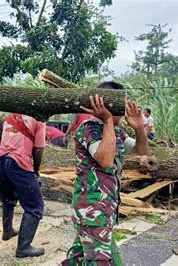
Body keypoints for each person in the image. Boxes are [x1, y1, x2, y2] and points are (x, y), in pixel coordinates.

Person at [62, 81, 149, 265]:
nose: (123, 111)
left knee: (77, 259)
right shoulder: (89, 129)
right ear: (106, 105)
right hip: (92, 211)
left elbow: (141, 152)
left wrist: (139, 128)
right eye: (119, 105)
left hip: (103, 210)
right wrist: (108, 120)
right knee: (102, 261)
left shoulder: (117, 133)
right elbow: (106, 159)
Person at [0, 113, 46, 258]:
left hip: (0, 161)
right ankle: (24, 247)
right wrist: (35, 171)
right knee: (35, 205)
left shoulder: (9, 118)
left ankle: (7, 230)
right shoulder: (39, 119)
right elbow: (39, 149)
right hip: (18, 161)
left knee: (8, 198)